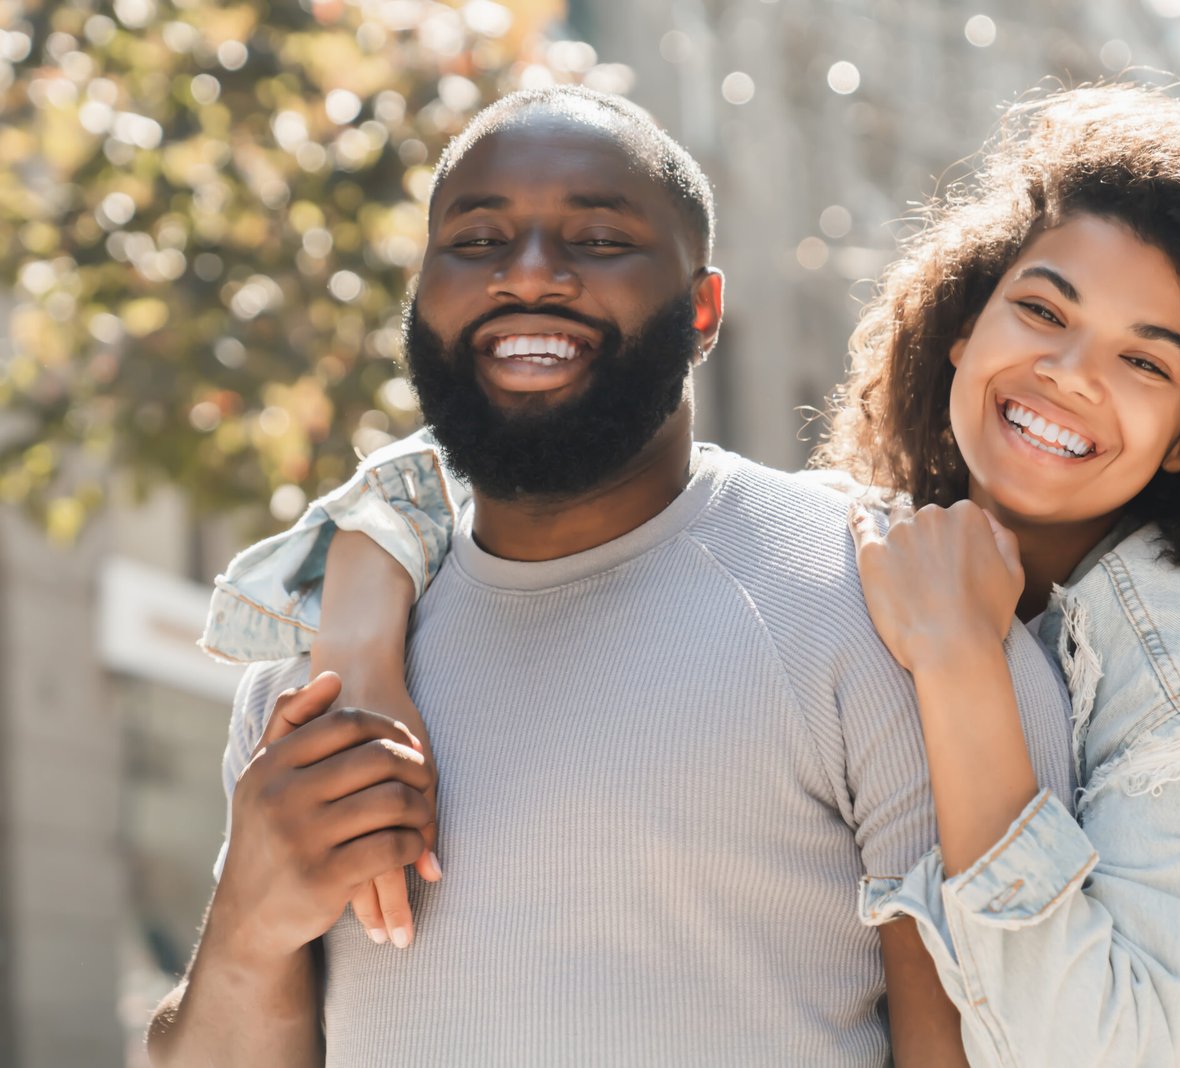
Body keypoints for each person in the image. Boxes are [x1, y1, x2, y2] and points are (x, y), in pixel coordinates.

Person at [182, 84, 1180, 1066]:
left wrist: (962, 666)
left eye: (1146, 361)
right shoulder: (851, 552)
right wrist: (360, 609)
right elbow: (524, 455)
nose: (1070, 375)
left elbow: (1101, 1052)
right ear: (967, 317)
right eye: (1043, 309)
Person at [146, 85, 1078, 1066]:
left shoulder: (885, 600)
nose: (529, 277)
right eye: (477, 241)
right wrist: (248, 926)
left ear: (703, 308)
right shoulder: (319, 672)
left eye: (596, 240)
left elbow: (1004, 1039)